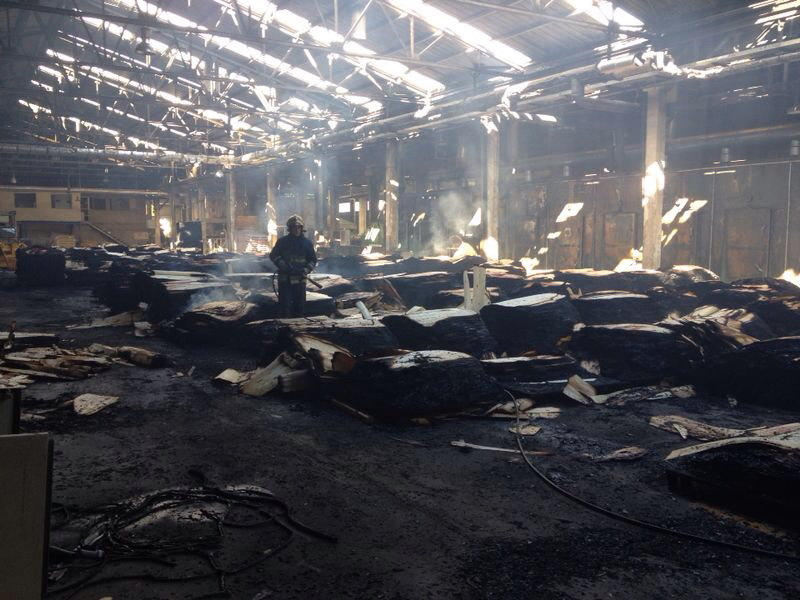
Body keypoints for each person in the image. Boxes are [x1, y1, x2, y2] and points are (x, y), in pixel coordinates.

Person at [269, 215, 317, 318]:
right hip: (285, 280)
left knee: (299, 308)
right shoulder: (282, 242)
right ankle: (284, 326)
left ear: (302, 228)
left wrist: (306, 270)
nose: (296, 229)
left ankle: (298, 326)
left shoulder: (307, 243)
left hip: (300, 280)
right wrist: (283, 265)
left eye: (299, 227)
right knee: (284, 307)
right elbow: (273, 255)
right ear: (290, 228)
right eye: (294, 227)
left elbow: (313, 260)